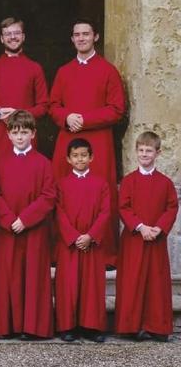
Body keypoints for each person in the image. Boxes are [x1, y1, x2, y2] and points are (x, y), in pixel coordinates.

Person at [48, 19, 125, 263]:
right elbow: (53, 106)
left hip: (98, 141)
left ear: (96, 37)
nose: (81, 38)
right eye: (77, 35)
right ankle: (62, 249)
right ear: (72, 39)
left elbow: (116, 109)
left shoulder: (108, 70)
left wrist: (84, 119)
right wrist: (66, 116)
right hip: (67, 137)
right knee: (63, 192)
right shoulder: (63, 71)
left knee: (100, 194)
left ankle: (104, 253)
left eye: (86, 34)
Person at [0, 110, 56, 340]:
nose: (20, 137)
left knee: (33, 276)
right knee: (9, 275)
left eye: (25, 132)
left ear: (33, 134)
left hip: (33, 229)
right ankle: (7, 325)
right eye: (15, 132)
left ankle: (32, 327)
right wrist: (9, 219)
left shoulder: (43, 163)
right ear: (8, 135)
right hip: (7, 229)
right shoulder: (0, 163)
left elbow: (48, 196)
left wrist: (25, 219)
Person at [114, 131, 178, 342]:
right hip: (134, 239)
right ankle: (132, 327)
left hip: (156, 240)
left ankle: (157, 326)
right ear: (136, 152)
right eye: (141, 150)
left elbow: (171, 207)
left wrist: (159, 228)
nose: (144, 154)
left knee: (156, 282)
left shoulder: (165, 183)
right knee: (133, 280)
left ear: (157, 153)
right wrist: (141, 227)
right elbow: (123, 207)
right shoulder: (129, 181)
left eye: (149, 150)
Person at [54, 138, 111, 343]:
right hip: (69, 244)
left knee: (92, 286)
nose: (80, 159)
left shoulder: (101, 184)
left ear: (91, 157)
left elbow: (105, 213)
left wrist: (90, 236)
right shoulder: (61, 184)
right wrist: (73, 236)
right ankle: (67, 326)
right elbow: (59, 213)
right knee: (68, 285)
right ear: (68, 159)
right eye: (75, 156)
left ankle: (91, 327)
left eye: (84, 155)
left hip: (92, 244)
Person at [0, 18, 49, 161]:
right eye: (7, 34)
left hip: (25, 133)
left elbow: (43, 106)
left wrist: (19, 115)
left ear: (23, 36)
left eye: (16, 33)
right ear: (1, 39)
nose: (12, 37)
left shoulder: (34, 68)